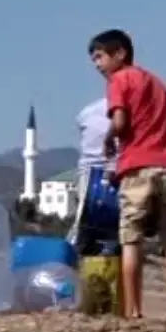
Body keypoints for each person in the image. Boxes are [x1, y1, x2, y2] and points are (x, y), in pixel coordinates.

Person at [88, 29, 166, 325]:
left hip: (137, 168)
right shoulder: (156, 83)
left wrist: (110, 139)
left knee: (131, 240)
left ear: (119, 54)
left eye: (99, 57)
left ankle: (133, 312)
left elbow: (120, 121)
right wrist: (164, 144)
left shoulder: (120, 80)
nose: (97, 65)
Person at [66, 97, 115, 252]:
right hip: (116, 175)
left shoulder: (87, 113)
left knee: (83, 227)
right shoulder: (132, 110)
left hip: (88, 178)